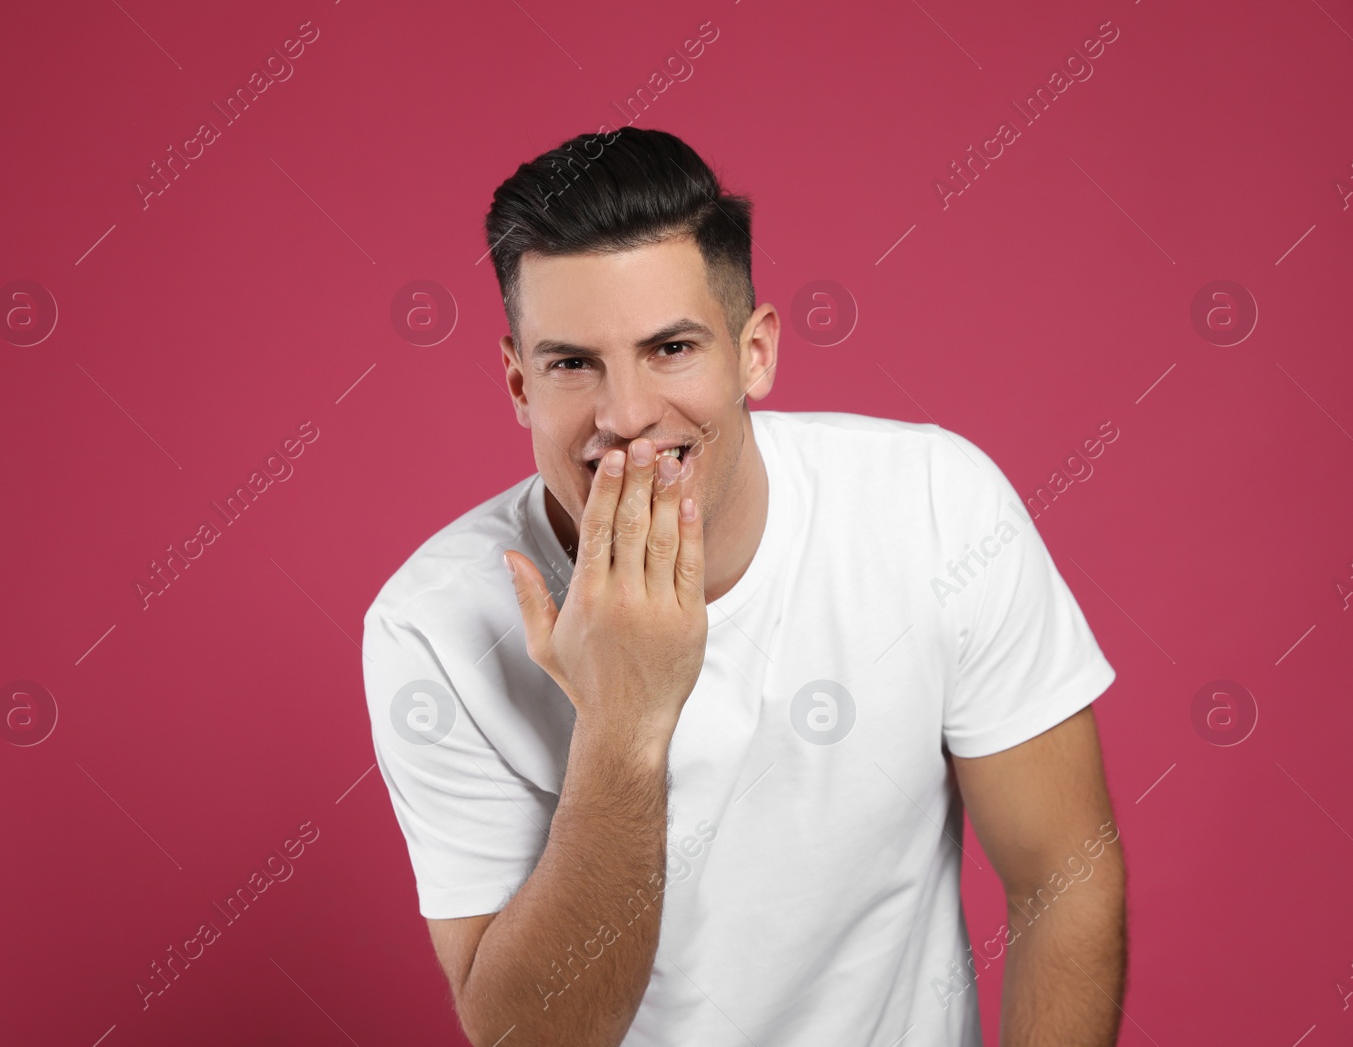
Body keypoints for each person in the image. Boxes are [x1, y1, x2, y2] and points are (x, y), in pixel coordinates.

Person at [362, 125, 1127, 1046]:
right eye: (573, 364)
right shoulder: (433, 628)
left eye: (672, 349)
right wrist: (624, 724)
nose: (629, 414)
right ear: (520, 384)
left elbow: (1064, 872)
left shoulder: (935, 506)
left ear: (754, 352)